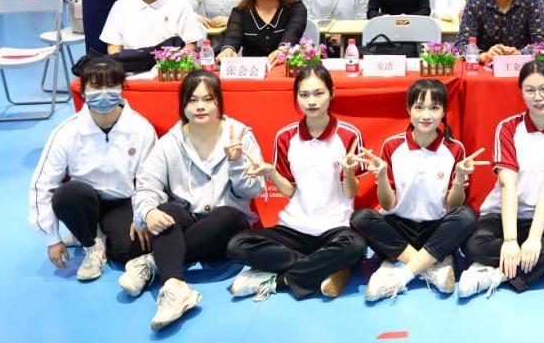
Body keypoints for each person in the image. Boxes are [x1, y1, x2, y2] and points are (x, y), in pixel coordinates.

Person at [122, 71, 263, 330]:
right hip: (187, 222)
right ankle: (175, 287)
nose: (200, 107)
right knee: (165, 210)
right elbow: (146, 186)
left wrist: (236, 163)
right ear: (183, 105)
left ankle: (154, 262)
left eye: (208, 99)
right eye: (192, 100)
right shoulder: (169, 143)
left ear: (219, 102)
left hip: (226, 231)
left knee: (228, 216)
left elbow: (253, 191)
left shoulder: (240, 135)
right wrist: (148, 212)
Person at [227, 65, 367, 301]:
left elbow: (350, 193)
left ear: (331, 93)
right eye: (304, 95)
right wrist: (271, 173)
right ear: (296, 97)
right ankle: (327, 268)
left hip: (335, 228)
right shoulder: (285, 136)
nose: (312, 101)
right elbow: (291, 192)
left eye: (319, 93)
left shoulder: (349, 134)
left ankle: (279, 281)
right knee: (237, 244)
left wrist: (349, 172)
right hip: (294, 228)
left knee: (356, 245)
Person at [459, 61, 544, 298]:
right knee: (473, 244)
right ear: (521, 93)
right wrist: (510, 240)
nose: (538, 97)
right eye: (530, 90)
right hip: (502, 216)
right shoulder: (507, 128)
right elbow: (508, 184)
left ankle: (497, 275)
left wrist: (534, 238)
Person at [351, 80, 482, 300]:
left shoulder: (454, 148)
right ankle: (429, 267)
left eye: (434, 107)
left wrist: (460, 177)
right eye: (419, 107)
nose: (426, 115)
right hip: (399, 228)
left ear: (444, 111)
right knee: (360, 217)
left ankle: (403, 273)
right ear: (408, 109)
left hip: (436, 229)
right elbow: (387, 205)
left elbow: (453, 206)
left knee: (467, 216)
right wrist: (381, 176)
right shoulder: (392, 146)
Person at [29, 58, 156, 281]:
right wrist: (52, 238)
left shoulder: (141, 128)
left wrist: (142, 215)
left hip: (122, 201)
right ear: (84, 90)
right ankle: (91, 243)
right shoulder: (66, 132)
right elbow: (42, 185)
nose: (104, 93)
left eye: (111, 85)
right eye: (96, 86)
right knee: (67, 194)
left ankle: (94, 232)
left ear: (122, 87)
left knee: (130, 251)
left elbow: (151, 179)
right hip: (83, 201)